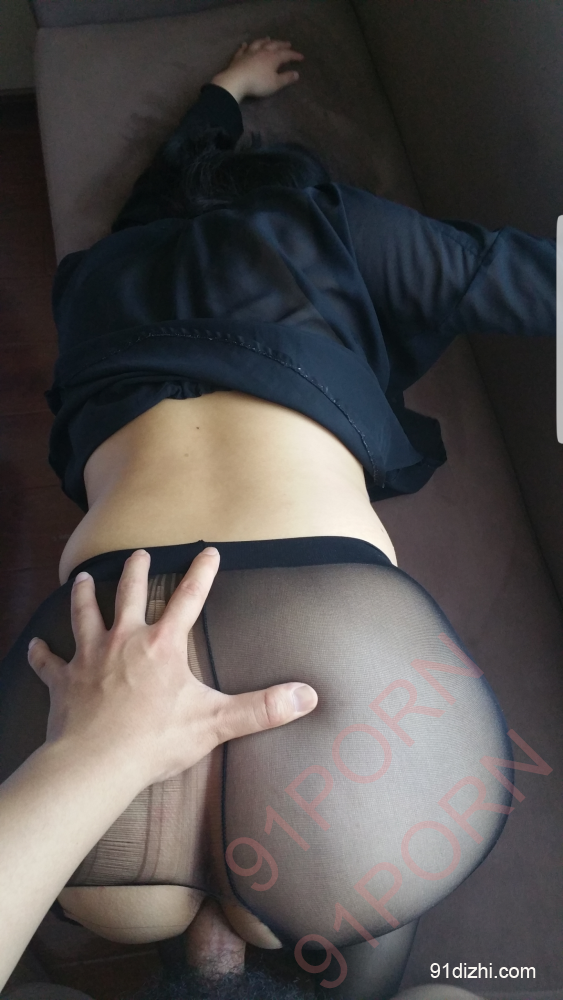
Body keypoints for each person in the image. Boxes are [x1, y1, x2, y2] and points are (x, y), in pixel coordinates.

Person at [0, 36, 555, 1000]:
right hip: (308, 638)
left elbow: (152, 193)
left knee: (137, 908)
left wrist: (221, 91)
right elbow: (512, 276)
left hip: (125, 630)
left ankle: (206, 938)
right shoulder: (325, 219)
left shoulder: (96, 274)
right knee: (330, 909)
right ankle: (237, 933)